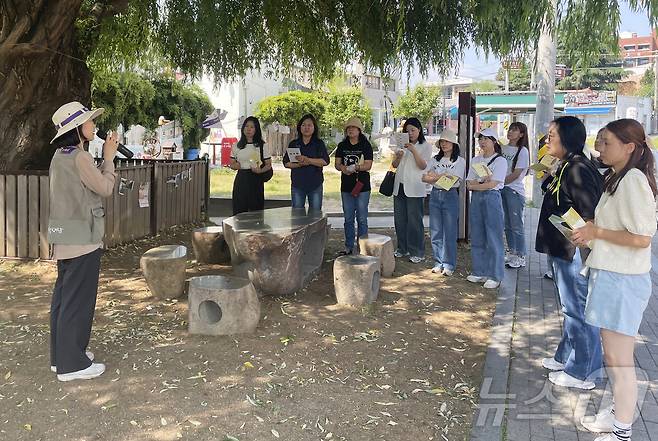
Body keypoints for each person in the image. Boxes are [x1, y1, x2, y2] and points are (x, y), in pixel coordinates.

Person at [573, 119, 657, 441]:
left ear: (630, 147)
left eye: (607, 142)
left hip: (623, 280)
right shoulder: (617, 177)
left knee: (619, 360)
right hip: (611, 274)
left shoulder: (633, 180)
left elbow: (641, 238)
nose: (600, 148)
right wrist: (590, 233)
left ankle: (622, 430)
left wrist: (596, 231)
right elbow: (617, 230)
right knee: (612, 356)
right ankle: (616, 414)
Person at [47, 101, 118, 381]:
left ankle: (61, 357)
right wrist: (109, 158)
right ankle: (72, 365)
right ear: (77, 128)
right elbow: (105, 188)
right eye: (89, 122)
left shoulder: (60, 156)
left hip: (64, 236)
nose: (94, 126)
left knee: (64, 299)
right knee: (78, 300)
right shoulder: (80, 157)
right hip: (83, 239)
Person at [536, 116, 604, 390]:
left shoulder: (578, 168)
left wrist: (576, 240)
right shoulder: (565, 165)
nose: (547, 140)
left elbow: (589, 215)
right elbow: (552, 194)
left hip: (571, 249)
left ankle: (582, 371)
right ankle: (566, 356)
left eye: (552, 135)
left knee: (577, 309)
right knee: (570, 308)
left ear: (568, 138)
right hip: (560, 246)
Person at [465, 128, 507, 289]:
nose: (482, 142)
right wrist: (482, 182)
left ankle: (495, 275)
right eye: (480, 138)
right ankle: (479, 271)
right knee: (477, 235)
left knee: (494, 237)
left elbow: (493, 184)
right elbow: (469, 184)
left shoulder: (500, 161)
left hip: (492, 199)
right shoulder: (475, 160)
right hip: (476, 199)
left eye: (486, 139)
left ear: (494, 141)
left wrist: (479, 183)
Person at [421, 129, 466, 275]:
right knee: (435, 231)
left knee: (450, 231)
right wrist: (442, 176)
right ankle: (438, 262)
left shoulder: (460, 161)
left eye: (447, 141)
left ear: (453, 144)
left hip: (450, 195)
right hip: (435, 195)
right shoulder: (435, 159)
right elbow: (424, 177)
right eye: (442, 141)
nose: (444, 144)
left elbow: (453, 180)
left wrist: (435, 176)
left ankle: (449, 264)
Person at [391, 117, 433, 263]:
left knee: (415, 221)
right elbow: (394, 165)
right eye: (407, 131)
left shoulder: (426, 146)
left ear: (419, 130)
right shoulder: (401, 145)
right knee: (400, 220)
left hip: (415, 187)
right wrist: (398, 156)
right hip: (399, 186)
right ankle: (402, 248)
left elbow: (423, 166)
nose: (410, 133)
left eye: (413, 130)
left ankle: (417, 251)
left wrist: (413, 150)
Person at [334, 117, 374, 255]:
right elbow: (337, 164)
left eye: (353, 128)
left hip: (362, 186)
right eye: (348, 128)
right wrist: (343, 168)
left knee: (362, 218)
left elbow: (368, 165)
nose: (350, 130)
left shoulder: (365, 145)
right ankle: (349, 246)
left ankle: (363, 247)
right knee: (348, 218)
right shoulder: (342, 146)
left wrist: (357, 167)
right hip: (346, 186)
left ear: (359, 130)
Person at [283, 114, 329, 210]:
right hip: (297, 185)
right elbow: (286, 163)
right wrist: (299, 164)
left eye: (309, 125)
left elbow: (325, 161)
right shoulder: (294, 143)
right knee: (297, 216)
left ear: (314, 128)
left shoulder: (319, 144)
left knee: (315, 215)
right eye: (303, 125)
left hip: (315, 184)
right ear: (299, 127)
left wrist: (308, 160)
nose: (306, 128)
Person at [501, 122, 530, 269]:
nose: (510, 132)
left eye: (515, 130)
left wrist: (499, 182)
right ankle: (512, 252)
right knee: (507, 224)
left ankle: (520, 255)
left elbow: (516, 174)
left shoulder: (523, 151)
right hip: (502, 189)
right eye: (510, 129)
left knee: (516, 225)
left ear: (521, 134)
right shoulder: (502, 148)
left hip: (514, 191)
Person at [229, 116, 272, 215]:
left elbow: (268, 165)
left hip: (256, 179)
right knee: (239, 210)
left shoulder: (262, 145)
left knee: (256, 211)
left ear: (256, 129)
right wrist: (235, 165)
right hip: (241, 179)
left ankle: (256, 230)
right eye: (246, 126)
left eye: (252, 127)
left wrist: (259, 171)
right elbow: (232, 163)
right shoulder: (236, 146)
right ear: (243, 128)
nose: (248, 129)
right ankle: (239, 230)